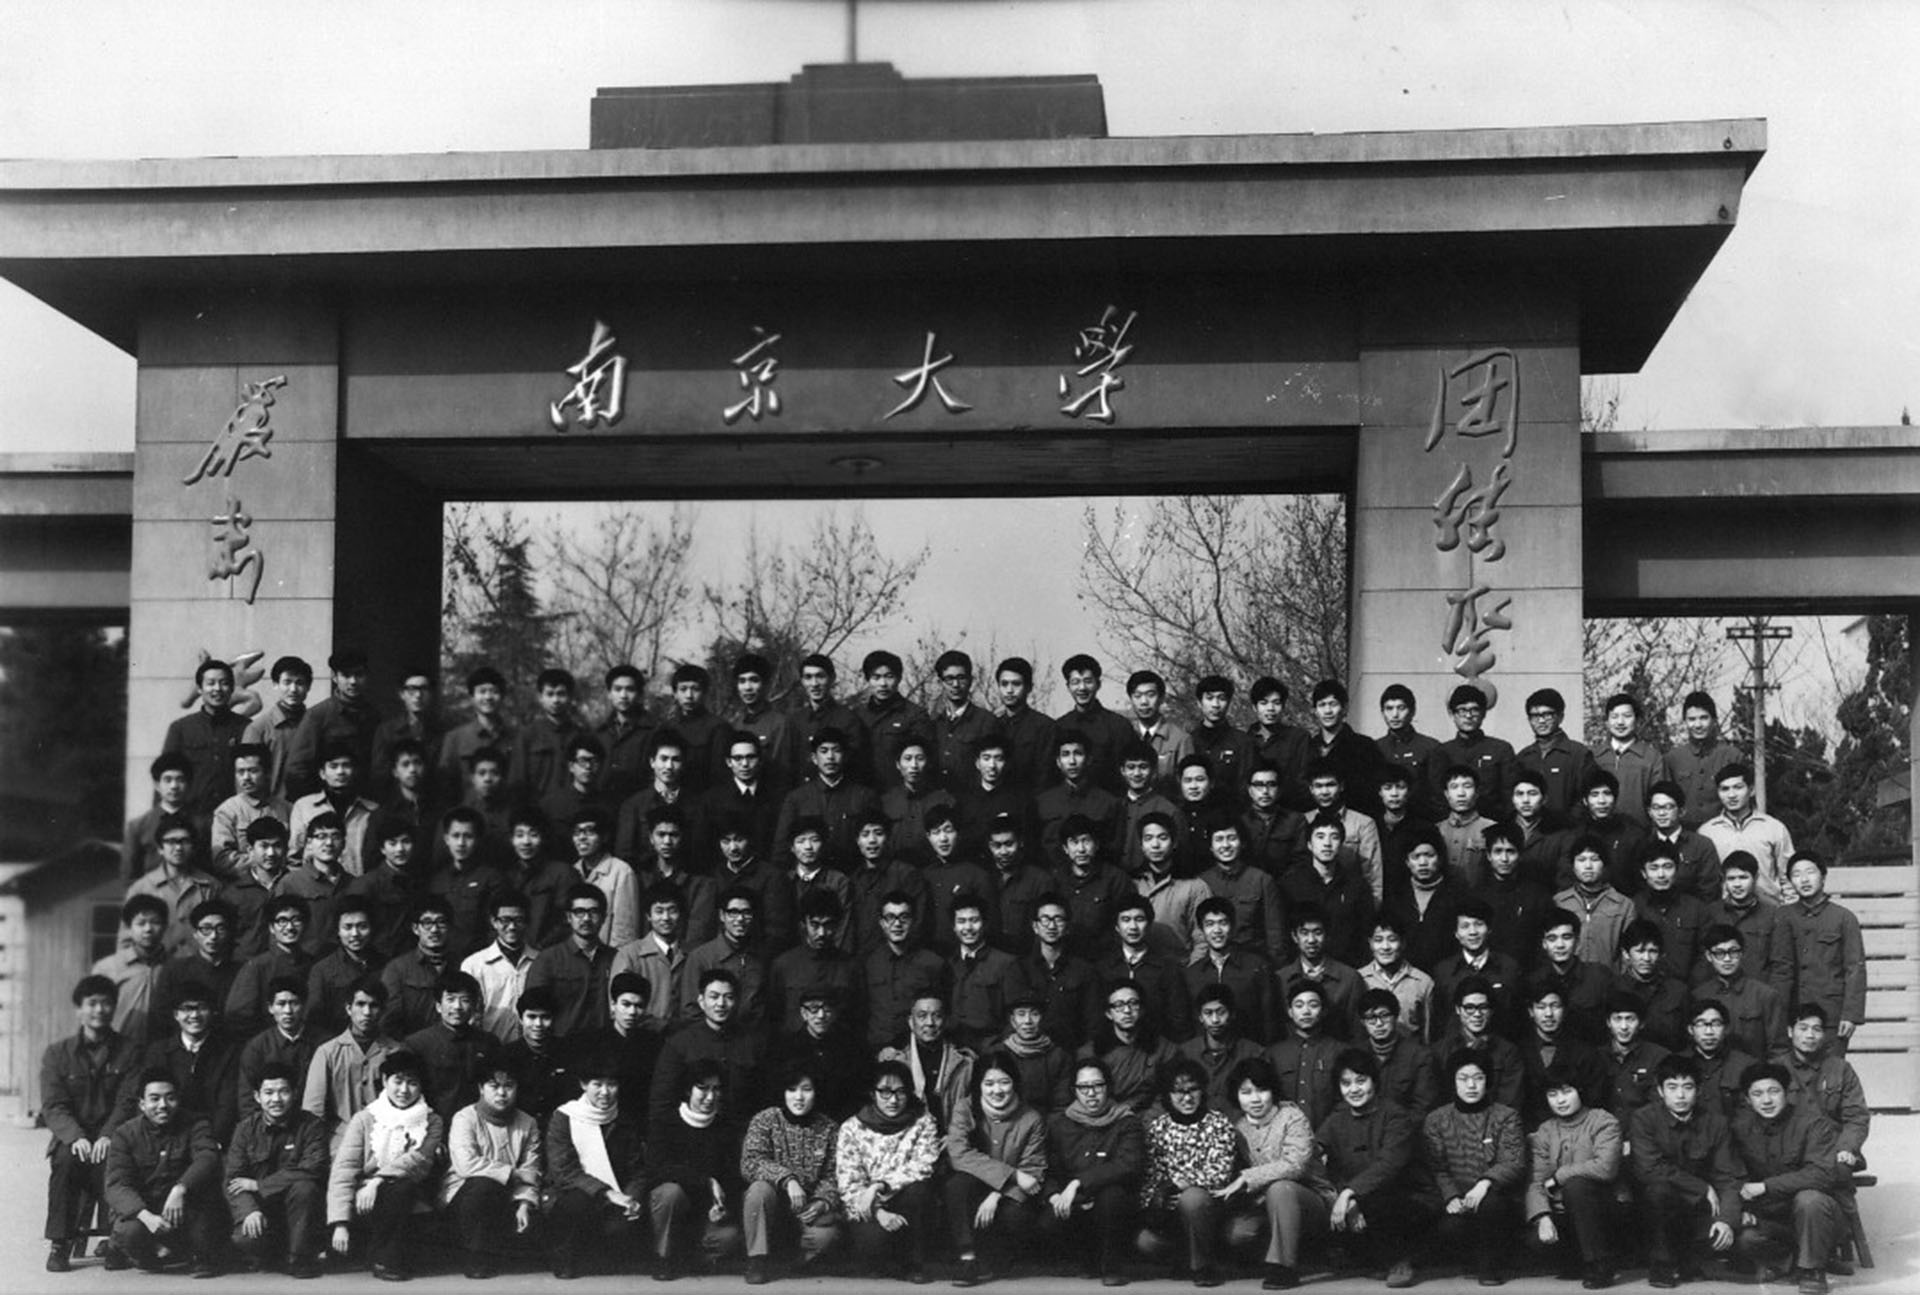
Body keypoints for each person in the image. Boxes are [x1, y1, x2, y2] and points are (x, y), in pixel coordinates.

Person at [41, 974, 144, 1273]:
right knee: (64, 1161)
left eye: (107, 1003)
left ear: (114, 1007)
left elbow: (128, 1100)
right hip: (75, 1137)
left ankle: (115, 1241)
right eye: (92, 1003)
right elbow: (54, 1105)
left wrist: (109, 1135)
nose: (100, 1010)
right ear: (79, 1009)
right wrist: (75, 1137)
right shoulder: (57, 1054)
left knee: (116, 1162)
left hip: (115, 1135)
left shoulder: (130, 1050)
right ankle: (60, 1243)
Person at [1315, 1048, 1433, 1289]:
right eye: (1346, 1083)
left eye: (1361, 1081)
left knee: (1383, 1205)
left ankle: (1401, 1261)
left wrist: (1350, 1194)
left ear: (1374, 1082)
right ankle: (1373, 1257)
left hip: (1407, 1198)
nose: (1354, 1089)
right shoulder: (1336, 1119)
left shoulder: (1396, 1116)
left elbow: (1388, 1165)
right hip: (1362, 1198)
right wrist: (1344, 1195)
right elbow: (1316, 1153)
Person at [1728, 1061, 1845, 1295]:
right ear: (1748, 1100)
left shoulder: (1813, 1123)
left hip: (1816, 1217)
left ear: (1787, 1092)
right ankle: (1797, 1260)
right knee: (1746, 1240)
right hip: (1772, 1220)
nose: (1767, 1100)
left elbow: (1823, 1174)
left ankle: (1812, 1271)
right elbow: (1732, 1174)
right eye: (1757, 1094)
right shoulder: (1739, 1128)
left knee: (1809, 1199)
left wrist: (1766, 1186)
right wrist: (1742, 1209)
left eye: (1774, 1091)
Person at [326, 1048, 443, 1281]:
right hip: (365, 1198)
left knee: (402, 1187)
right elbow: (344, 1169)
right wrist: (340, 1223)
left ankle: (385, 1260)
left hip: (410, 1192)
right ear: (385, 1081)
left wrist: (377, 1181)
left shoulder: (432, 1121)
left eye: (412, 1083)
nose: (404, 1090)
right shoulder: (365, 1118)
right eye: (397, 1081)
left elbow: (418, 1161)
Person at [1628, 1054, 1741, 1288]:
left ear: (1698, 1090)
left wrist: (1726, 1220)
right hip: (1655, 1209)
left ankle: (1689, 1256)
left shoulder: (1716, 1123)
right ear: (1660, 1091)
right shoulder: (1643, 1118)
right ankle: (1662, 1266)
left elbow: (1728, 1176)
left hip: (1697, 1210)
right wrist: (1702, 1187)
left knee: (1727, 1235)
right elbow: (1649, 1169)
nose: (1680, 1095)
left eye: (1687, 1087)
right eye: (1672, 1087)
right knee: (1658, 1191)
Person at [1214, 1056, 1322, 1290]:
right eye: (1246, 1092)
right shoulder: (1238, 1128)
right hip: (1264, 1205)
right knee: (1238, 1234)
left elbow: (1295, 1165)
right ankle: (1287, 1252)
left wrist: (1248, 1177)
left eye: (1262, 1090)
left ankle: (1283, 1268)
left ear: (1273, 1091)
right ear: (1236, 1096)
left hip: (1309, 1199)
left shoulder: (1291, 1116)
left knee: (1280, 1188)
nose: (1255, 1099)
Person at [943, 1049, 1048, 1286]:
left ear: (1015, 1083)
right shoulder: (965, 1108)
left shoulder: (1031, 1118)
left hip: (1010, 1193)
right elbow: (959, 1154)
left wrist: (997, 1194)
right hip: (978, 1183)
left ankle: (998, 1258)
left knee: (1014, 1215)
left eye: (1004, 1082)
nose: (997, 1090)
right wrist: (1012, 1174)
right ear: (979, 1085)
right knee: (956, 1186)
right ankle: (967, 1258)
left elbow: (1033, 1173)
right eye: (989, 1083)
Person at [104, 1068, 223, 1276]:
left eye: (170, 1098)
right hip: (143, 1211)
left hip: (181, 1207)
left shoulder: (197, 1124)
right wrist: (146, 1216)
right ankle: (142, 1252)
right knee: (131, 1233)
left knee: (206, 1233)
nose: (163, 1105)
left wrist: (181, 1189)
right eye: (154, 1099)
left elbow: (208, 1158)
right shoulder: (124, 1134)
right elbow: (116, 1185)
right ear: (142, 1104)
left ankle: (182, 1251)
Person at [1423, 1049, 1526, 1284]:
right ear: (1453, 1082)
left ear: (1487, 1081)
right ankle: (1473, 1259)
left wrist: (1485, 1183)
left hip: (1497, 1195)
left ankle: (1489, 1269)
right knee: (1450, 1228)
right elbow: (1437, 1167)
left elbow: (1513, 1161)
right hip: (1459, 1198)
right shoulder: (1436, 1119)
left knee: (1492, 1205)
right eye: (1463, 1078)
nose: (1471, 1085)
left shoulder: (1506, 1115)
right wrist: (1451, 1196)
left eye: (1478, 1078)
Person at [544, 1049, 647, 1279]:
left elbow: (637, 1170)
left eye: (611, 1084)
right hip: (572, 1195)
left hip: (616, 1197)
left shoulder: (624, 1120)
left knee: (620, 1231)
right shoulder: (564, 1117)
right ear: (583, 1084)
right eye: (597, 1084)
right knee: (577, 1203)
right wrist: (608, 1193)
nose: (605, 1092)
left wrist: (632, 1198)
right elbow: (564, 1172)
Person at [739, 1060, 845, 1284]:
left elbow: (833, 1174)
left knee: (826, 1235)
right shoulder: (765, 1120)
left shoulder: (829, 1128)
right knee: (758, 1190)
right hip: (771, 1206)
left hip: (806, 1209)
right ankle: (757, 1260)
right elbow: (751, 1162)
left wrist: (822, 1201)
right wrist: (788, 1179)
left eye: (806, 1089)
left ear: (816, 1092)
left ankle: (793, 1262)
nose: (799, 1097)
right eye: (792, 1089)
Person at [835, 1057, 941, 1282]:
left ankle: (915, 1265)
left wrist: (880, 1185)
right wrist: (879, 1212)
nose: (893, 1100)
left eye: (900, 1092)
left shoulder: (923, 1122)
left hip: (905, 1201)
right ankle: (887, 1261)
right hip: (868, 1207)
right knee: (874, 1243)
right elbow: (848, 1183)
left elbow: (923, 1166)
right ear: (872, 1093)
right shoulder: (852, 1128)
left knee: (921, 1191)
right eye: (884, 1092)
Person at [1044, 1057, 1146, 1286]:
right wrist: (1054, 1195)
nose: (1091, 1093)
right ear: (1074, 1091)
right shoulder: (1060, 1124)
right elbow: (1050, 1168)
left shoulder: (1127, 1121)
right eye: (1083, 1087)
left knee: (1112, 1197)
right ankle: (1086, 1259)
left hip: (1111, 1200)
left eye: (1098, 1085)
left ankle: (1112, 1267)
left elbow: (1128, 1165)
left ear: (1108, 1087)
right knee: (1049, 1219)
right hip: (1074, 1201)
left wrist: (1079, 1183)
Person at [1138, 1056, 1237, 1287]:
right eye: (1178, 1092)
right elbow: (1153, 1176)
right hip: (1171, 1213)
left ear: (1202, 1090)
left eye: (1193, 1089)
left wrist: (1181, 1185)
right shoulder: (1159, 1127)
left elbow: (1220, 1173)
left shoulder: (1218, 1123)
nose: (1187, 1097)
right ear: (1167, 1095)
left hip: (1210, 1205)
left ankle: (1203, 1267)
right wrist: (1159, 1198)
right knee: (1145, 1241)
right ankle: (1184, 1257)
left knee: (1192, 1198)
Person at [439, 1058, 541, 1279]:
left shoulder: (528, 1123)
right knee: (484, 1184)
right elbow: (466, 1165)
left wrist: (524, 1204)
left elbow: (531, 1171)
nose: (502, 1093)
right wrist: (513, 1174)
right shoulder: (465, 1118)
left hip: (509, 1197)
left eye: (509, 1086)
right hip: (464, 1197)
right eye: (494, 1086)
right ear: (481, 1088)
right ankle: (475, 1260)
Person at [225, 1061, 328, 1277]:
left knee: (305, 1187)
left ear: (295, 1093)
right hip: (262, 1208)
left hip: (300, 1210)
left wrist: (260, 1185)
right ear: (257, 1096)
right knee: (245, 1238)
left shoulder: (312, 1125)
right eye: (269, 1093)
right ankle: (274, 1255)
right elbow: (233, 1179)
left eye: (283, 1091)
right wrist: (249, 1211)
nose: (276, 1099)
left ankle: (299, 1259)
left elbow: (313, 1168)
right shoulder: (245, 1129)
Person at [1525, 1061, 1623, 1290]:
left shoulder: (1603, 1121)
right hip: (1564, 1213)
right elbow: (1538, 1181)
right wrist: (1542, 1217)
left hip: (1602, 1209)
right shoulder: (1545, 1131)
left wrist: (1560, 1175)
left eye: (1567, 1092)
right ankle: (1578, 1259)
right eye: (1553, 1094)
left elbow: (1605, 1168)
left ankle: (1599, 1264)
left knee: (1576, 1185)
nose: (1560, 1100)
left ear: (1580, 1091)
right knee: (1536, 1241)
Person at [646, 1060, 744, 1279]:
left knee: (730, 1237)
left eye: (716, 1089)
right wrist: (706, 1181)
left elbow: (732, 1175)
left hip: (704, 1213)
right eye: (703, 1088)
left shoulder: (725, 1127)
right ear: (688, 1090)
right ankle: (663, 1258)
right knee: (670, 1192)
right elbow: (657, 1169)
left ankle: (687, 1257)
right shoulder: (666, 1123)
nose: (710, 1097)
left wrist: (721, 1206)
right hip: (670, 1207)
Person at [653, 968, 768, 1124]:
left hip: (741, 1130)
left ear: (737, 1002)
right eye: (714, 997)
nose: (721, 1004)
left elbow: (764, 1098)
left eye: (728, 997)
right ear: (701, 1001)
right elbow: (661, 1102)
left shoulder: (754, 1043)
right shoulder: (680, 1043)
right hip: (691, 1131)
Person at [1779, 852, 1866, 1053]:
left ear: (1823, 877)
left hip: (1831, 1014)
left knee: (1831, 1068)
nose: (1804, 879)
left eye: (1810, 872)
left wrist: (1850, 1015)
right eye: (1796, 874)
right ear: (1790, 881)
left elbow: (1855, 968)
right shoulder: (1782, 916)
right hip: (1792, 1014)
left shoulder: (1843, 918)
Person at [305, 977, 399, 1151]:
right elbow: (313, 1111)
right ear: (349, 1008)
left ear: (382, 1010)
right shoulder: (327, 1052)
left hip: (386, 1140)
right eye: (360, 1004)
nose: (367, 1012)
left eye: (374, 1006)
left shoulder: (395, 1051)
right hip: (339, 1142)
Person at [1277, 812, 1373, 968]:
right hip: (1302, 969)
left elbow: (1364, 935)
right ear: (1309, 844)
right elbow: (1282, 935)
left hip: (1345, 970)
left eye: (1334, 837)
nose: (1327, 843)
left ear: (1341, 844)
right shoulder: (1290, 884)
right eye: (1320, 837)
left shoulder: (1357, 886)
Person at [403, 970, 502, 1121]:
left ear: (474, 1005)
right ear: (438, 1006)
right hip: (433, 1125)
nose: (457, 1007)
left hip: (479, 1123)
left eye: (465, 1000)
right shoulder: (417, 1044)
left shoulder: (489, 1043)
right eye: (450, 999)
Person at [524, 883, 616, 1039]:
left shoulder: (616, 958)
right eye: (579, 912)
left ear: (604, 918)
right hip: (561, 1045)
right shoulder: (548, 959)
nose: (586, 918)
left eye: (593, 912)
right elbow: (533, 1007)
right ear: (568, 917)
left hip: (606, 1045)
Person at [862, 891, 951, 1051]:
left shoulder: (933, 963)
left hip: (919, 1050)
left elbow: (944, 1012)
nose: (897, 924)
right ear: (882, 923)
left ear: (914, 921)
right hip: (875, 1050)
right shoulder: (868, 963)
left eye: (904, 917)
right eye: (890, 917)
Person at [1098, 894, 1191, 1045]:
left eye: (1139, 919)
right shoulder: (1104, 968)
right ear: (1117, 927)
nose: (1133, 927)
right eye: (1126, 920)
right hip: (1113, 1049)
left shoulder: (1168, 968)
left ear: (1149, 925)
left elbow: (1178, 1019)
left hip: (1156, 1048)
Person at [128, 808, 220, 960]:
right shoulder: (141, 888)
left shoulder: (210, 885)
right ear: (160, 849)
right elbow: (126, 940)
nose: (178, 848)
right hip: (157, 965)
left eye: (184, 841)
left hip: (200, 965)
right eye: (171, 842)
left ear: (193, 847)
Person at [164, 657, 250, 818]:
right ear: (199, 689)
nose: (217, 688)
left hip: (234, 817)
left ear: (232, 688)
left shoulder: (246, 727)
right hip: (190, 817)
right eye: (210, 683)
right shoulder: (180, 728)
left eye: (224, 683)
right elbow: (165, 776)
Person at [878, 994, 976, 1134]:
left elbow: (973, 1110)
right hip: (908, 1137)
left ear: (946, 1021)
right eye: (922, 1016)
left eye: (937, 1016)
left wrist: (954, 1137)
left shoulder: (965, 1063)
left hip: (955, 1137)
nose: (930, 1023)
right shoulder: (896, 1061)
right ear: (911, 1022)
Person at [1698, 763, 1795, 902]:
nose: (1731, 795)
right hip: (1724, 909)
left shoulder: (1774, 828)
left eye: (1738, 787)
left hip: (1769, 908)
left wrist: (1790, 909)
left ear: (1751, 790)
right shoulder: (1707, 832)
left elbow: (1788, 876)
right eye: (1724, 789)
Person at [1186, 896, 1276, 1045]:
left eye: (1223, 923)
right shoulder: (1192, 974)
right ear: (1201, 929)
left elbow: (1269, 1018)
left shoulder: (1256, 966)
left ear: (1233, 927)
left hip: (1250, 1050)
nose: (1217, 930)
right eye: (1209, 924)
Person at [1079, 981, 1176, 1114]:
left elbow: (1167, 1094)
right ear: (1109, 1013)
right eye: (1119, 1005)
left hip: (1150, 1116)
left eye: (1133, 1003)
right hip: (1105, 1117)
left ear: (1142, 1009)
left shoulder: (1164, 1049)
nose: (1127, 1011)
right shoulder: (1091, 1052)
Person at [227, 893, 315, 1039]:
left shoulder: (314, 964)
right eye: (282, 921)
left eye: (296, 920)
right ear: (271, 928)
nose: (290, 927)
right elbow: (238, 1015)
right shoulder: (256, 967)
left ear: (305, 925)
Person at [1707, 851, 1794, 998]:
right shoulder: (1712, 914)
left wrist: (1775, 1002)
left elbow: (1782, 968)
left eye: (1743, 877)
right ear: (1724, 881)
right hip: (1720, 997)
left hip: (1759, 998)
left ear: (1756, 878)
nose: (1737, 884)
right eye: (1731, 878)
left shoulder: (1773, 915)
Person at [1697, 923, 1785, 1060]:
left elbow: (1778, 1051)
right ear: (1709, 956)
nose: (1727, 959)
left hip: (1755, 1070)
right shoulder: (1699, 995)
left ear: (1742, 953)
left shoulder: (1765, 995)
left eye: (1733, 952)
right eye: (1719, 953)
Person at [1034, 728, 1124, 862]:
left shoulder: (1109, 803)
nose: (1072, 761)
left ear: (1089, 759)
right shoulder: (1042, 803)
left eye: (1078, 754)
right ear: (1058, 761)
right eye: (1065, 754)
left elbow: (1114, 850)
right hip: (1052, 873)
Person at [236, 975, 318, 1118]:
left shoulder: (324, 1043)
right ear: (270, 1008)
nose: (288, 1011)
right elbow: (247, 1100)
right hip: (270, 1123)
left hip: (313, 1122)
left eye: (294, 1003)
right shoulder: (257, 1047)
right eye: (281, 1004)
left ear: (304, 1006)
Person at [461, 888, 537, 1042]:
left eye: (519, 920)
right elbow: (468, 1016)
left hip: (531, 1047)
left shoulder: (541, 961)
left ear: (527, 922)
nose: (512, 927)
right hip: (490, 1047)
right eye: (505, 920)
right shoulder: (474, 964)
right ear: (494, 922)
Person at [378, 896, 458, 1039]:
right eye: (427, 923)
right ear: (415, 929)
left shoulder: (463, 964)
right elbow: (388, 1021)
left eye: (441, 922)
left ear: (450, 927)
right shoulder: (397, 969)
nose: (434, 930)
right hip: (410, 1047)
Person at [1265, 981, 1342, 1128]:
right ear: (1290, 1012)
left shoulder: (1339, 1051)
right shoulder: (1274, 1054)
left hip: (1330, 1134)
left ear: (1324, 1010)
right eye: (1299, 1006)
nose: (1306, 1011)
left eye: (1313, 1005)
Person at [950, 891, 1020, 1052]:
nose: (968, 927)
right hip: (952, 1051)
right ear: (953, 927)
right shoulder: (947, 964)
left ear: (985, 923)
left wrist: (995, 1049)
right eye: (961, 921)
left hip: (992, 1051)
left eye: (974, 920)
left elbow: (1015, 1017)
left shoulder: (1007, 963)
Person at [1516, 688, 1600, 822]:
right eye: (1535, 716)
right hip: (1531, 830)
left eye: (1547, 715)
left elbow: (1590, 795)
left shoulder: (1579, 754)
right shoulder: (1524, 757)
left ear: (1560, 717)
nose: (1541, 721)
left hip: (1571, 829)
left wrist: (1569, 825)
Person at [95, 894, 171, 1044]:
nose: (148, 929)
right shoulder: (108, 968)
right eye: (141, 923)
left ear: (165, 927)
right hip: (117, 1048)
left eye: (155, 922)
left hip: (163, 1049)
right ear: (129, 928)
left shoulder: (176, 967)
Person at [1177, 984, 1263, 1115]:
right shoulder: (1186, 1053)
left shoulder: (1254, 1052)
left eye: (1221, 1012)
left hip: (1241, 1124)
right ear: (1200, 1017)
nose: (1215, 1020)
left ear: (1232, 1014)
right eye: (1208, 1013)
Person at [1433, 685, 1515, 820]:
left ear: (1484, 713)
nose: (1468, 716)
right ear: (1452, 714)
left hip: (1494, 823)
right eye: (1462, 710)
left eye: (1474, 710)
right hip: (1453, 826)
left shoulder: (1501, 749)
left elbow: (1509, 796)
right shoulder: (1441, 752)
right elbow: (1438, 797)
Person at [211, 742, 290, 879]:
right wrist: (265, 862)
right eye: (240, 772)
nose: (246, 778)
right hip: (244, 883)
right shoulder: (227, 811)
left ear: (267, 773)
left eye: (253, 771)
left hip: (284, 881)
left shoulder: (287, 809)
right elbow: (222, 859)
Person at [1634, 844, 1712, 982]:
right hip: (1643, 988)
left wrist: (1692, 986)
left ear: (1677, 870)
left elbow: (1706, 954)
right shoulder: (1633, 907)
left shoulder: (1696, 908)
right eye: (1654, 868)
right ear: (1643, 873)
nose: (1661, 874)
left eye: (1667, 867)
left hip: (1688, 988)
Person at [1355, 988, 1438, 1116]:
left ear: (1396, 1016)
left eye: (1384, 1015)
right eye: (1371, 1018)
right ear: (1363, 1022)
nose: (1379, 1024)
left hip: (1405, 1125)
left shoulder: (1419, 1056)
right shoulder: (1355, 1055)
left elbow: (1423, 1107)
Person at [1667, 693, 1744, 830]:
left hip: (1724, 831)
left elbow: (1744, 800)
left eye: (1704, 718)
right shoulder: (1672, 758)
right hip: (1684, 833)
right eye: (1692, 719)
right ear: (1685, 722)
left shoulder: (1732, 756)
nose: (1698, 725)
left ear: (1714, 720)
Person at [1555, 836, 1634, 969]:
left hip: (1609, 979)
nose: (1588, 866)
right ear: (1573, 865)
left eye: (1595, 859)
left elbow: (1629, 953)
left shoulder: (1623, 905)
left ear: (1604, 864)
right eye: (1581, 860)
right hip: (1568, 978)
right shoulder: (1559, 902)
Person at [124, 753, 201, 886]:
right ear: (157, 785)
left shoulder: (202, 825)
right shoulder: (138, 826)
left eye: (180, 780)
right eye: (167, 780)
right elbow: (129, 876)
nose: (174, 786)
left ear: (188, 785)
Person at [245, 654, 313, 802]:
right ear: (275, 684)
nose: (293, 689)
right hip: (271, 807)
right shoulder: (258, 728)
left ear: (308, 687)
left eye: (299, 683)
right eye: (287, 682)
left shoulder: (315, 724)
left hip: (309, 807)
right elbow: (246, 776)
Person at [1357, 913, 1435, 1043]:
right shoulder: (1358, 979)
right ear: (1370, 943)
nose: (1385, 947)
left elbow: (1427, 1035)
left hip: (1412, 1053)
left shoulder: (1423, 982)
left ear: (1403, 943)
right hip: (1369, 1053)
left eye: (1392, 939)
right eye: (1378, 940)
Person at [730, 652, 800, 794]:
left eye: (754, 680)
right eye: (742, 681)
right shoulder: (734, 725)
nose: (747, 687)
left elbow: (783, 773)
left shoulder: (780, 724)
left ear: (766, 684)